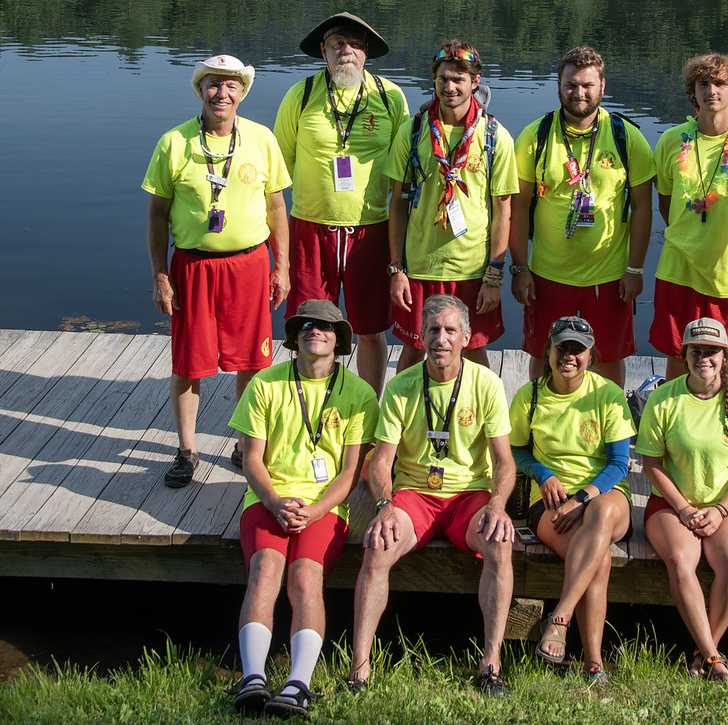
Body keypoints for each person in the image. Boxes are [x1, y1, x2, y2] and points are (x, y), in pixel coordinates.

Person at [347, 294, 515, 698]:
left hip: (469, 495)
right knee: (377, 545)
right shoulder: (402, 387)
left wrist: (497, 506)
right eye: (434, 330)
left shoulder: (486, 384)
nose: (441, 339)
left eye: (451, 330)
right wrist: (384, 506)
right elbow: (381, 462)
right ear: (420, 336)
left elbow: (504, 463)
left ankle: (491, 663)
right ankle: (359, 670)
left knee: (500, 543)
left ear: (467, 337)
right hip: (415, 495)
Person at [144, 54, 290, 488]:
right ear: (200, 90)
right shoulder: (174, 142)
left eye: (231, 86)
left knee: (253, 362)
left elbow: (277, 207)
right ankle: (186, 450)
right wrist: (159, 274)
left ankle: (248, 448)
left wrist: (280, 267)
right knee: (189, 364)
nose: (222, 94)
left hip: (249, 265)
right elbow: (156, 216)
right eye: (213, 85)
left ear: (242, 93)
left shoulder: (262, 139)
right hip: (193, 267)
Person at [228, 299, 378, 717]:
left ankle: (298, 683)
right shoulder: (265, 384)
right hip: (267, 498)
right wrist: (275, 501)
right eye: (307, 325)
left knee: (305, 579)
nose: (316, 331)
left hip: (324, 506)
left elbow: (350, 473)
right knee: (264, 574)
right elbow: (252, 459)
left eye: (326, 327)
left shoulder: (360, 394)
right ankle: (252, 678)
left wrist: (313, 512)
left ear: (339, 341)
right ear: (295, 337)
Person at [274, 12, 410, 396]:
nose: (346, 51)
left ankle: (366, 411)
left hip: (372, 230)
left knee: (369, 329)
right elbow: (279, 167)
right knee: (307, 326)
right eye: (337, 44)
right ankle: (305, 407)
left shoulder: (390, 97)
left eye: (354, 44)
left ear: (366, 52)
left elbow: (404, 171)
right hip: (309, 229)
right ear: (323, 51)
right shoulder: (300, 95)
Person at [510, 46, 655, 388]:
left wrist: (635, 270)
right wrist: (520, 268)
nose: (579, 93)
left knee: (608, 356)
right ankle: (539, 415)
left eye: (587, 85)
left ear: (602, 86)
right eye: (571, 85)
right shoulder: (536, 137)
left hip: (608, 275)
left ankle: (609, 428)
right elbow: (516, 207)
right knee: (544, 354)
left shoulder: (626, 136)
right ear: (558, 86)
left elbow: (643, 208)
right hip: (548, 273)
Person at [636, 317, 728, 684]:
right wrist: (686, 509)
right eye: (696, 351)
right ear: (684, 355)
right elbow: (652, 464)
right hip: (672, 505)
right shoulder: (663, 399)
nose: (703, 359)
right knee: (681, 559)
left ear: (725, 356)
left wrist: (721, 509)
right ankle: (713, 657)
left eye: (711, 352)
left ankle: (704, 651)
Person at [508, 316, 634, 684]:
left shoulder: (607, 394)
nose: (569, 356)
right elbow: (515, 450)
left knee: (603, 513)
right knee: (601, 559)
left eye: (578, 350)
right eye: (562, 347)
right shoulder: (529, 396)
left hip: (602, 495)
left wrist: (582, 497)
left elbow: (620, 462)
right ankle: (594, 662)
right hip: (547, 503)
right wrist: (543, 474)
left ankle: (559, 617)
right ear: (548, 351)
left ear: (591, 356)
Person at [385, 40, 517, 374]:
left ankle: (482, 424)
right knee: (414, 352)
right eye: (443, 78)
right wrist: (396, 269)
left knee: (473, 352)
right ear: (435, 80)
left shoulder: (494, 136)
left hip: (472, 269)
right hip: (419, 265)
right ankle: (402, 425)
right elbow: (397, 206)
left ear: (475, 82)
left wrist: (494, 275)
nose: (450, 87)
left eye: (459, 79)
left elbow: (503, 210)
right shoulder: (412, 131)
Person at [650, 53, 728, 383]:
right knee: (677, 350)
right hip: (678, 267)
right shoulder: (672, 141)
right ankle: (673, 421)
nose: (712, 90)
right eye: (703, 83)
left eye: (720, 83)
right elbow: (666, 202)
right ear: (693, 91)